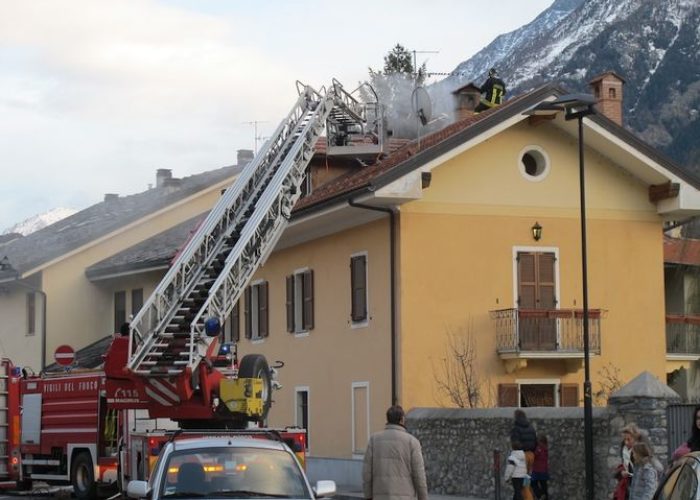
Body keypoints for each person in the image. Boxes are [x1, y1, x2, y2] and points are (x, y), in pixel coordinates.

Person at [362, 405, 428, 500]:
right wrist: (423, 497)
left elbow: (366, 473)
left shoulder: (374, 440)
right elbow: (419, 475)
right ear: (402, 420)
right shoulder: (412, 442)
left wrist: (368, 496)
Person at [531, 434, 549, 500]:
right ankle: (544, 496)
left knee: (533, 483)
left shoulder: (539, 449)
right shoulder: (545, 449)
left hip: (537, 470)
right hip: (544, 470)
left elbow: (534, 455)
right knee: (544, 486)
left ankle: (540, 495)